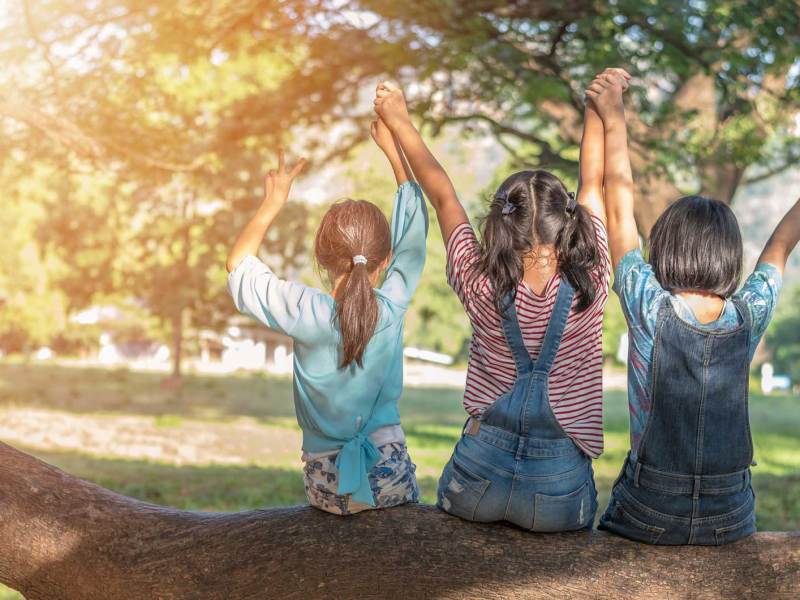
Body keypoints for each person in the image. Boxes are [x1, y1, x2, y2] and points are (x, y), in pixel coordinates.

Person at [374, 71, 626, 531]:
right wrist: (598, 108)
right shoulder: (592, 276)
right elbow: (593, 180)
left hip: (476, 483)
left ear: (500, 221)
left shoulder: (477, 279)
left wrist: (399, 120)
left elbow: (443, 195)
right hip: (558, 494)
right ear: (567, 220)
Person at [587, 68, 800, 544]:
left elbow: (618, 205)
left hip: (650, 508)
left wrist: (613, 115)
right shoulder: (749, 315)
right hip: (729, 514)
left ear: (664, 249)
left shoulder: (648, 305)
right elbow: (781, 243)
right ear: (729, 256)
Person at [226, 118, 428, 515]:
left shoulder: (304, 310)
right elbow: (414, 239)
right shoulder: (392, 306)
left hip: (325, 486)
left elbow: (238, 266)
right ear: (384, 260)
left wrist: (273, 203)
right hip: (390, 478)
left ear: (322, 258)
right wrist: (394, 153)